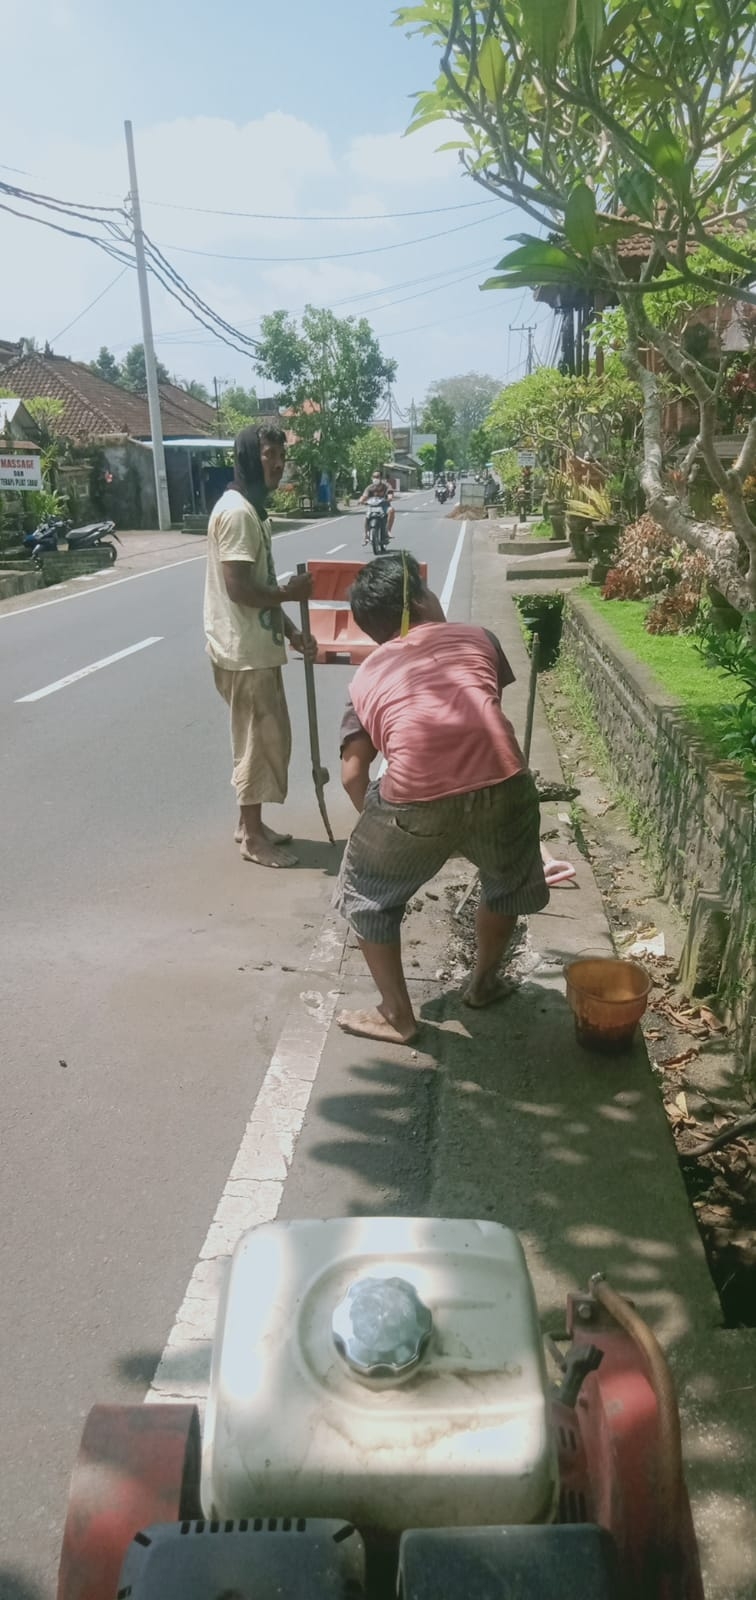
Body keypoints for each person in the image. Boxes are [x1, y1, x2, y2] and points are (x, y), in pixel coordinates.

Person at [334, 552, 548, 1045]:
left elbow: (352, 775)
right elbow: (481, 710)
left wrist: (391, 832)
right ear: (418, 602)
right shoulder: (480, 639)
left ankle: (397, 1014)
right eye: (430, 593)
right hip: (504, 782)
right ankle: (483, 984)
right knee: (503, 880)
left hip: (414, 798)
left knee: (366, 890)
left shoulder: (365, 678)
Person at [204, 424, 314, 869]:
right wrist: (290, 594)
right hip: (243, 653)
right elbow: (240, 589)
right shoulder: (237, 514)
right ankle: (252, 836)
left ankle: (249, 822)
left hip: (256, 646)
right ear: (248, 456)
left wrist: (290, 632)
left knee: (266, 739)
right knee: (257, 742)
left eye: (280, 455)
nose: (277, 462)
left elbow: (260, 586)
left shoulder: (253, 511)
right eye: (268, 454)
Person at [360, 469, 395, 546]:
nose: (375, 478)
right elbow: (364, 496)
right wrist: (361, 501)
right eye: (374, 476)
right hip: (372, 506)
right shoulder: (370, 487)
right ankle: (366, 536)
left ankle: (388, 531)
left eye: (377, 476)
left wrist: (389, 498)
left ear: (381, 478)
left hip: (384, 505)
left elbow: (390, 494)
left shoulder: (386, 486)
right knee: (366, 517)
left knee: (391, 510)